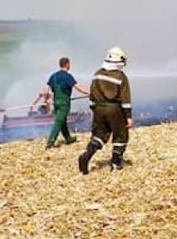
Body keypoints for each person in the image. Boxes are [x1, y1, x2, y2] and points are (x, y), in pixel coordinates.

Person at [78, 46, 133, 174]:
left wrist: (95, 109)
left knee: (99, 134)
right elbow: (125, 99)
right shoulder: (120, 76)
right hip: (114, 109)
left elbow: (92, 94)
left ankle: (87, 154)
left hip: (98, 108)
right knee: (121, 135)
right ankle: (116, 163)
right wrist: (128, 117)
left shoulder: (97, 74)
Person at [38, 57, 90, 149]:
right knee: (59, 121)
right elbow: (78, 87)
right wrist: (89, 92)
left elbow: (46, 89)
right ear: (67, 64)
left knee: (62, 120)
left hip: (56, 101)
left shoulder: (53, 76)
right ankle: (50, 142)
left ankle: (68, 138)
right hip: (64, 102)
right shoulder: (67, 76)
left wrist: (46, 100)